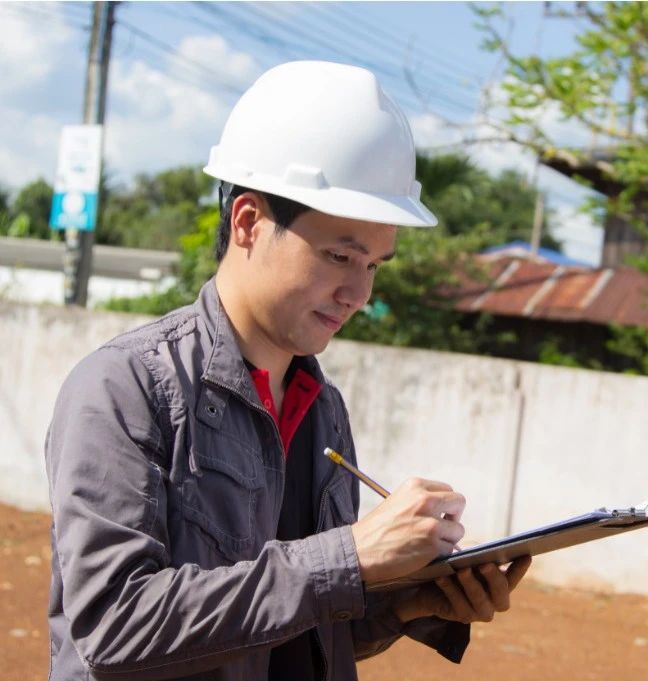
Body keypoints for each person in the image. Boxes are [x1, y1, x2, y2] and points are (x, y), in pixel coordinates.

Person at [44, 60, 531, 681]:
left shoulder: (321, 408)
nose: (358, 291)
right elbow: (115, 626)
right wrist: (350, 558)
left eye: (375, 265)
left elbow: (292, 631)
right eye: (340, 255)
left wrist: (407, 597)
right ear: (249, 223)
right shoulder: (126, 388)